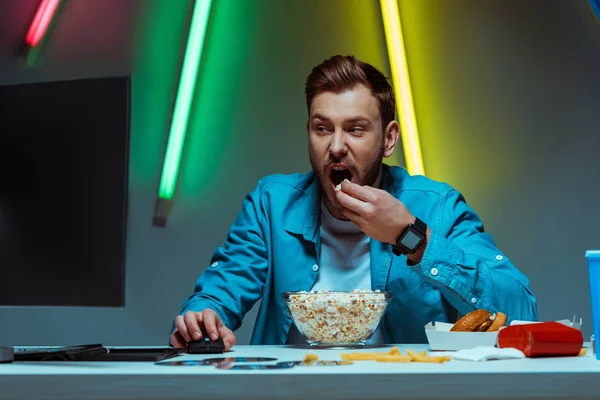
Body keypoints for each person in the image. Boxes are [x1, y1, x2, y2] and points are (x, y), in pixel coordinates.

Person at [170, 55, 538, 351]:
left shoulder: (437, 206)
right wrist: (202, 317)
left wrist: (411, 237)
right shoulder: (271, 204)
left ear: (389, 139)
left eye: (356, 129)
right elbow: (221, 289)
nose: (336, 147)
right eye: (322, 128)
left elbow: (521, 308)